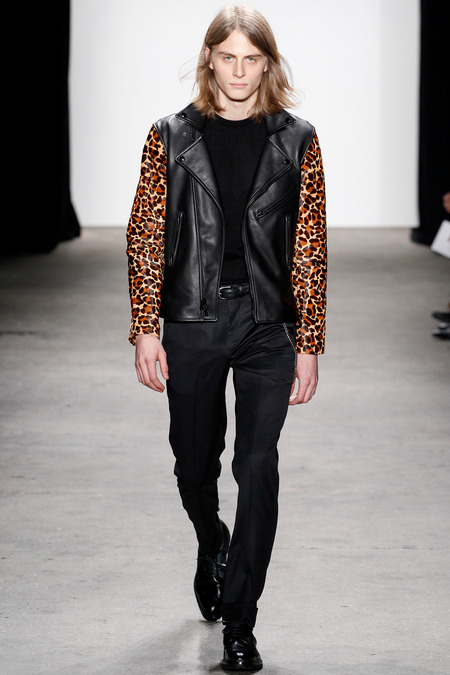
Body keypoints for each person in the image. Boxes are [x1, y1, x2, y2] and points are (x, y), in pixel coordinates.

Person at [126, 6, 327, 671]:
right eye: (228, 57)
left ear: (267, 65)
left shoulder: (298, 139)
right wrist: (145, 328)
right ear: (209, 59)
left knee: (258, 467)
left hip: (268, 324)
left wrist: (309, 341)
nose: (239, 71)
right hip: (194, 319)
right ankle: (211, 536)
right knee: (193, 464)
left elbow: (309, 247)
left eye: (252, 59)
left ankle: (241, 623)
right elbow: (146, 234)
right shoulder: (170, 136)